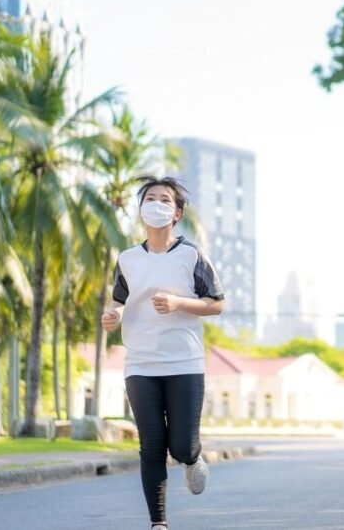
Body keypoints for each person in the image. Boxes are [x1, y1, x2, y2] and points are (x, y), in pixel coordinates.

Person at [102, 176, 225, 530]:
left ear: (176, 213)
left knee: (181, 446)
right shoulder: (127, 258)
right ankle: (159, 523)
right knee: (151, 444)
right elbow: (121, 299)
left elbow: (217, 303)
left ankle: (193, 458)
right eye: (150, 198)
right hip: (140, 362)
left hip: (183, 360)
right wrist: (114, 314)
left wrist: (178, 303)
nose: (156, 203)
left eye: (164, 199)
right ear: (141, 210)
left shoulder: (191, 254)